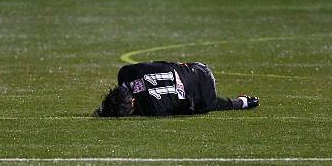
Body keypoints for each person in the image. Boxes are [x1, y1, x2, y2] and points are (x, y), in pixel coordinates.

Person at [93, 61, 259, 117]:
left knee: (206, 106)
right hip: (199, 68)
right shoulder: (126, 72)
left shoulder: (153, 110)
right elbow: (159, 64)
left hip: (206, 93)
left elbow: (186, 108)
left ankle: (242, 102)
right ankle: (244, 102)